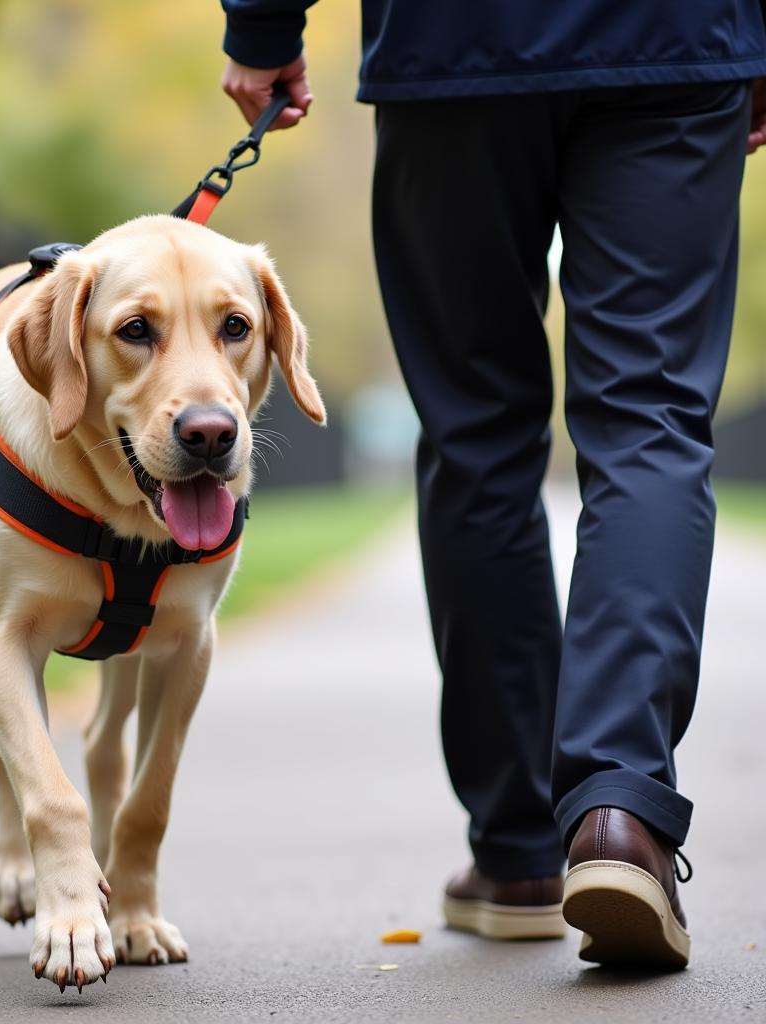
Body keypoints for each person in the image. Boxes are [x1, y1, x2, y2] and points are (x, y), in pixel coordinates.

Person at [219, 0, 766, 969]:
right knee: (648, 418)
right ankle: (618, 809)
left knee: (477, 435)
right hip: (672, 37)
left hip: (452, 40)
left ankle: (518, 850)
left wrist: (263, 28)